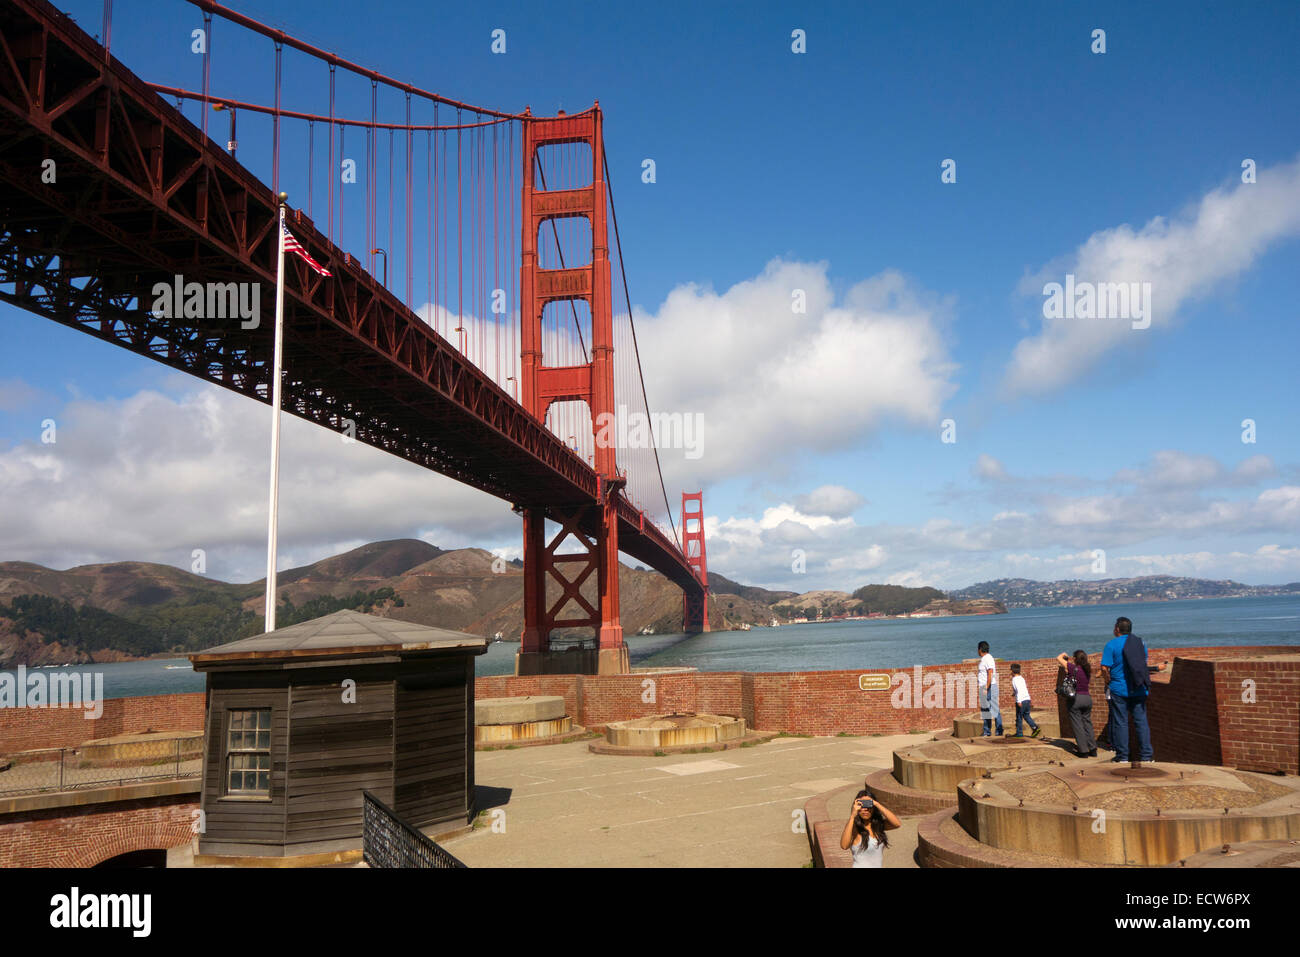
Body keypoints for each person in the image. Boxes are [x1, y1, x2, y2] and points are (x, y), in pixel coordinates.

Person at [1099, 617, 1164, 768]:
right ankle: (1147, 756)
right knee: (1141, 722)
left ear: (1117, 629)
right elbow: (1142, 663)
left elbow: (1104, 668)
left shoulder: (1111, 645)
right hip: (1139, 687)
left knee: (1121, 723)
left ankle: (1122, 757)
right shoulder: (1140, 643)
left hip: (1119, 689)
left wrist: (1107, 680)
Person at [838, 784, 901, 868]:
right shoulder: (855, 828)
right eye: (862, 805)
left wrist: (876, 804)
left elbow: (897, 824)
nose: (865, 809)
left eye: (868, 805)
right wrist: (852, 816)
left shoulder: (878, 826)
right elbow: (844, 845)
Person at [1056, 649, 1097, 757]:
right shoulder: (1087, 670)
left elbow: (1059, 658)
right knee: (1087, 724)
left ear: (1075, 659)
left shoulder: (1073, 668)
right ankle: (1093, 749)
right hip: (1087, 698)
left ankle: (1083, 751)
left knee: (1078, 725)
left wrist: (1064, 654)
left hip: (1076, 699)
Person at [976, 641, 1003, 736]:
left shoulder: (988, 658)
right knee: (986, 710)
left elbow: (990, 673)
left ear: (980, 649)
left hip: (989, 687)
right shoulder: (985, 659)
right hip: (986, 687)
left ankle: (997, 731)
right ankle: (987, 731)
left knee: (993, 709)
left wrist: (986, 688)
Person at [1009, 664, 1040, 738]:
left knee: (1019, 717)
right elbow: (1022, 689)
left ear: (1013, 671)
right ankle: (1035, 727)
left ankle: (1019, 733)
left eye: (1010, 670)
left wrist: (1019, 701)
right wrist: (1014, 693)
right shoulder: (1021, 678)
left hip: (1021, 700)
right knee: (1026, 715)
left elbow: (1019, 690)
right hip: (1027, 699)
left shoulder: (1014, 679)